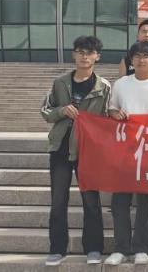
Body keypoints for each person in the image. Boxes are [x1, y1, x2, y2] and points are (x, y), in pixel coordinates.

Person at [42, 36, 112, 267]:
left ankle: (93, 248)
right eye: (80, 52)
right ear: (73, 54)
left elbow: (106, 117)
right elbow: (45, 110)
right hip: (61, 148)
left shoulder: (104, 86)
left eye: (89, 52)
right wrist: (62, 110)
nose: (84, 56)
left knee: (91, 200)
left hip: (88, 150)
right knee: (58, 200)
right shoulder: (60, 83)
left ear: (97, 57)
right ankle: (57, 249)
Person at [104, 42, 148, 266]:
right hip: (124, 150)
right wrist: (115, 113)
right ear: (131, 60)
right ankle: (121, 248)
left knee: (146, 202)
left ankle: (142, 248)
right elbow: (111, 108)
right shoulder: (121, 84)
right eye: (137, 56)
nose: (141, 60)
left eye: (146, 56)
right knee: (120, 202)